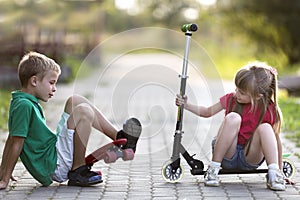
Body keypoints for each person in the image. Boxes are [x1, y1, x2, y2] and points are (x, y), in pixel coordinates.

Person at [0, 52, 142, 189]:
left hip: (54, 154)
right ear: (34, 81)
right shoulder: (24, 106)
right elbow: (15, 142)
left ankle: (120, 137)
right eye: (51, 83)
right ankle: (78, 169)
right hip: (53, 165)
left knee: (75, 100)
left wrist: (3, 171)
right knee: (83, 111)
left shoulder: (22, 102)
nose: (54, 89)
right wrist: (4, 178)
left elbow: (11, 139)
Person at [176, 61, 288, 191]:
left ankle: (275, 175)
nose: (236, 93)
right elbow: (207, 112)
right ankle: (213, 170)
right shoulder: (231, 99)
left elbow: (276, 142)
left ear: (258, 96)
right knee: (233, 117)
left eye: (241, 92)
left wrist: (281, 170)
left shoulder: (269, 109)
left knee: (266, 128)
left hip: (250, 158)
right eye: (236, 89)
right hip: (227, 155)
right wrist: (186, 105)